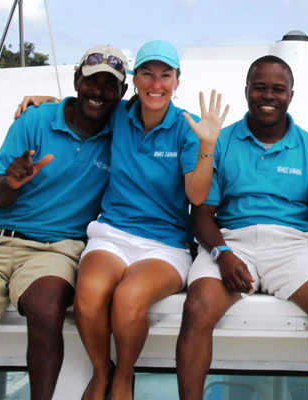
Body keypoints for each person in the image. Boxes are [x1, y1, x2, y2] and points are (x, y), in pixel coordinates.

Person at [0, 45, 128, 400]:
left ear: (121, 93)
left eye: (109, 85)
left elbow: (161, 113)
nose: (98, 91)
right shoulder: (35, 119)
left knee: (46, 310)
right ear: (76, 80)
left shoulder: (123, 130)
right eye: (90, 80)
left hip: (56, 247)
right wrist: (10, 182)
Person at [175, 55, 308, 400]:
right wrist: (222, 254)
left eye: (278, 89)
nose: (268, 96)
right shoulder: (221, 141)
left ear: (291, 94)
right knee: (197, 307)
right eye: (260, 88)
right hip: (231, 240)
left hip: (293, 244)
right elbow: (201, 213)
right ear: (247, 91)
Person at [74, 40, 228, 400]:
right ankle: (102, 372)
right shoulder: (120, 115)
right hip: (113, 233)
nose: (155, 84)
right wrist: (38, 99)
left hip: (165, 245)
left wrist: (207, 145)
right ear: (135, 78)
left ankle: (125, 376)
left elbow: (196, 195)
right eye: (147, 73)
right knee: (89, 296)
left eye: (165, 75)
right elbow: (82, 107)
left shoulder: (188, 128)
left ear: (176, 81)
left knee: (127, 299)